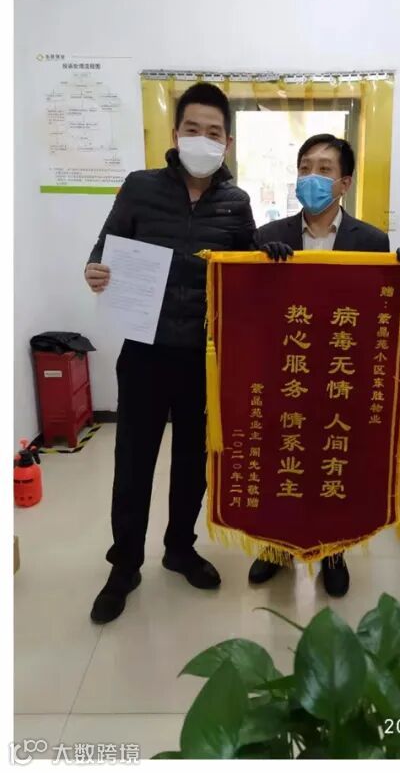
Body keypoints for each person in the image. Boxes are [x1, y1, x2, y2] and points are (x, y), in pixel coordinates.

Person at [84, 82, 292, 624]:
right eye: (193, 128)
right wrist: (95, 269)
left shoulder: (236, 202)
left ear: (227, 142)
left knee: (193, 461)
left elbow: (246, 269)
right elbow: (106, 245)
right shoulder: (140, 187)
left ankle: (179, 548)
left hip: (205, 356)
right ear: (176, 134)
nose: (203, 138)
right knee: (134, 461)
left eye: (214, 132)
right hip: (145, 351)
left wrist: (266, 254)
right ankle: (125, 564)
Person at [250, 133, 400, 597]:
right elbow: (251, 306)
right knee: (282, 461)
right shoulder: (268, 237)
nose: (312, 176)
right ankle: (276, 548)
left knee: (332, 462)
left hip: (339, 375)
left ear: (344, 183)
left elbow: (379, 310)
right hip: (285, 373)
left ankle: (333, 550)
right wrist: (262, 265)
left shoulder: (371, 240)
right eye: (305, 167)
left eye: (324, 169)